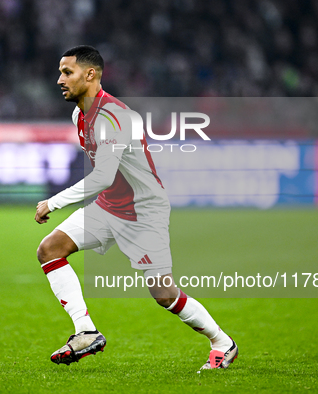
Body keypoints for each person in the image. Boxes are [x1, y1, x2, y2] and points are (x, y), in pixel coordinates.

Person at [35, 45, 238, 370]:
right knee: (50, 249)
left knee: (163, 294)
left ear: (90, 75)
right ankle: (85, 331)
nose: (60, 79)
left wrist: (53, 202)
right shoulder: (80, 114)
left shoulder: (114, 116)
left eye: (67, 72)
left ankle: (222, 342)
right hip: (107, 207)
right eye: (60, 71)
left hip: (143, 212)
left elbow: (102, 175)